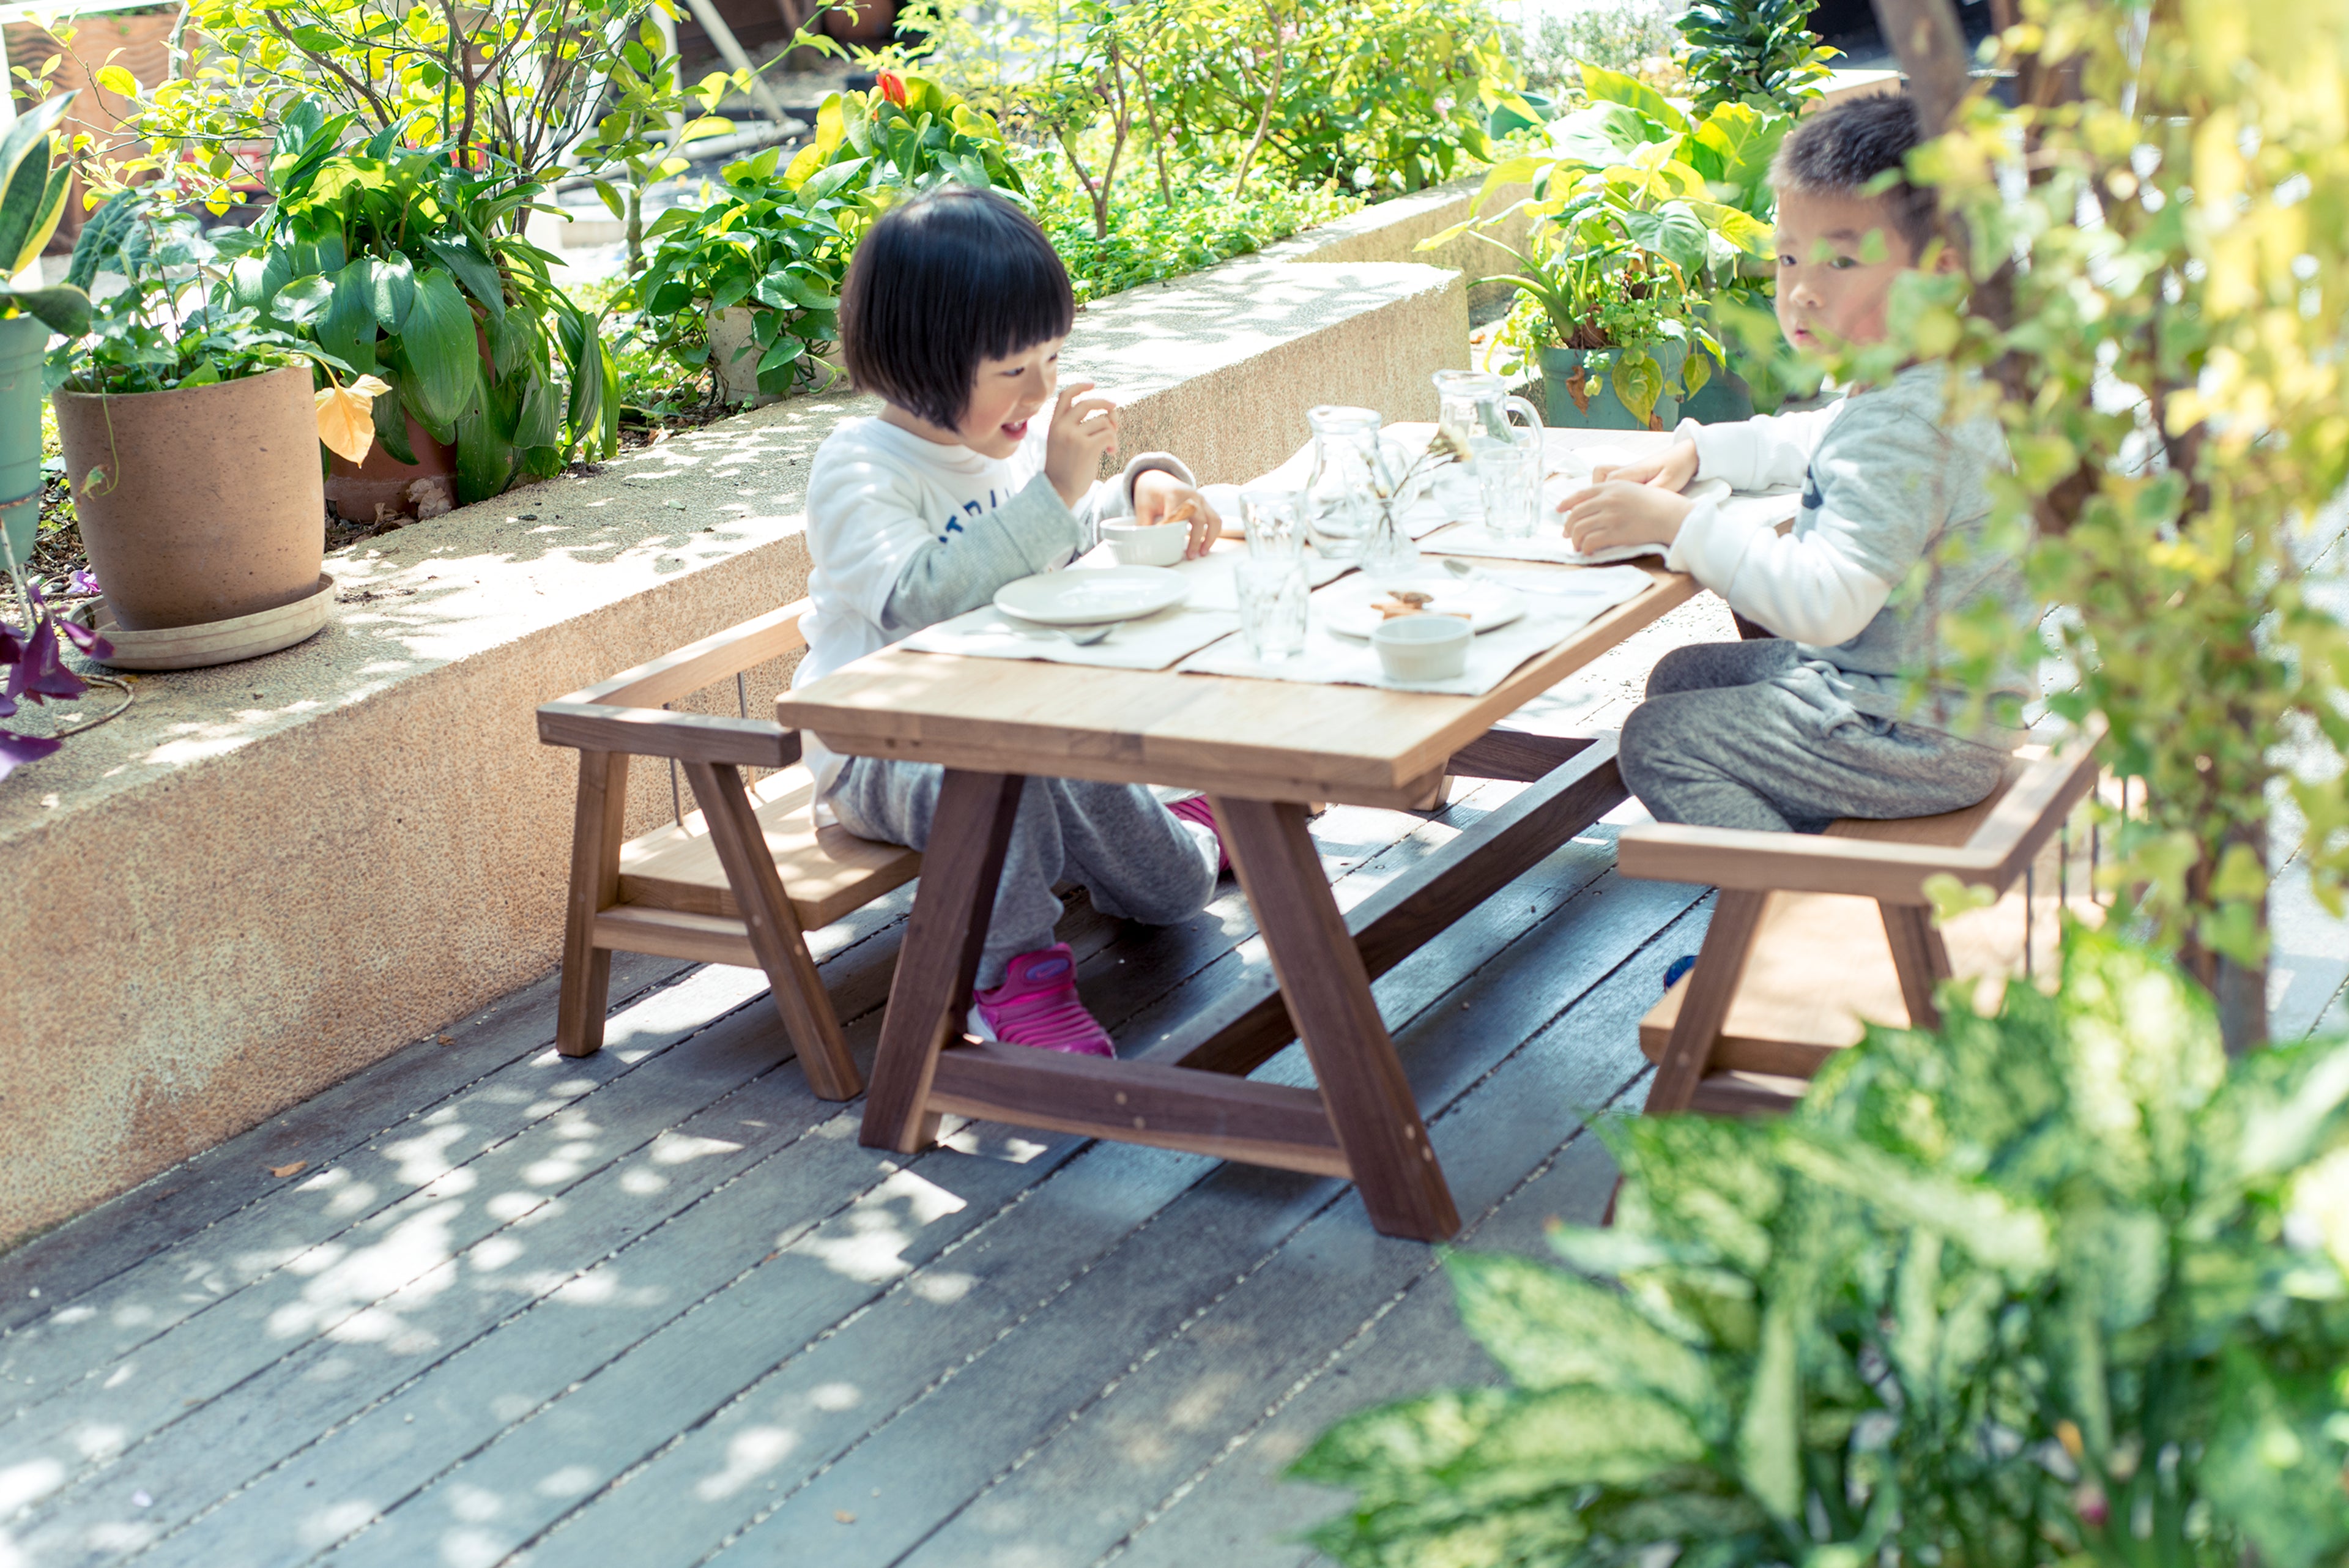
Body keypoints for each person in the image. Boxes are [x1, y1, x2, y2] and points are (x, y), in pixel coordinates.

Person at [792, 187, 1230, 1058]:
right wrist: (1058, 489)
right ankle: (1014, 976)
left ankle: (1187, 831)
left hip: (1032, 718)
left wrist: (1145, 486)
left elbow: (1066, 535)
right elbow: (923, 595)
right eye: (1012, 371)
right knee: (1001, 769)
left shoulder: (1014, 446)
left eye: (1054, 358)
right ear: (921, 359)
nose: (1042, 391)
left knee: (1178, 889)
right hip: (886, 748)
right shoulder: (862, 470)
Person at [1555, 92, 2033, 835]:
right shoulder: (1933, 381)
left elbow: (1825, 604)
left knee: (1659, 740)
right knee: (1682, 677)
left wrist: (1684, 525)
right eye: (1788, 257)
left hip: (1908, 735)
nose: (1801, 288)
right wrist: (1704, 450)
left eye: (1842, 260)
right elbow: (1822, 438)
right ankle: (1793, 849)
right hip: (1926, 699)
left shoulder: (1908, 425)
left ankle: (1783, 908)